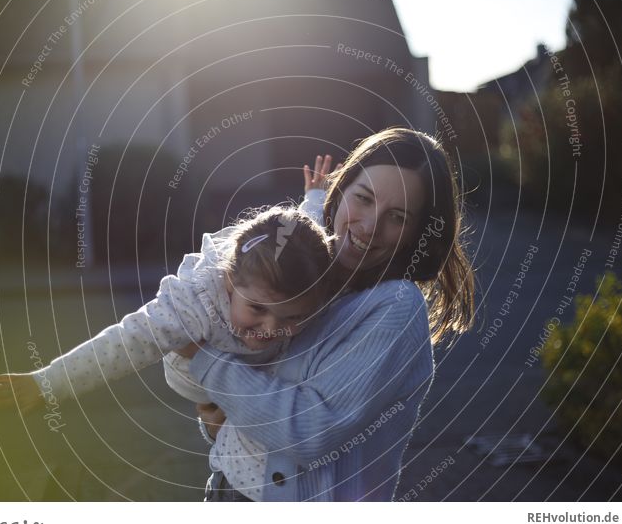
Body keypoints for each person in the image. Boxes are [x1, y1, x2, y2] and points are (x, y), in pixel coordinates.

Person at [185, 127, 476, 501]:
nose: (370, 228)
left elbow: (308, 432)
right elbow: (243, 400)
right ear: (339, 192)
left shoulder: (396, 307)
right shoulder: (300, 279)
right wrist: (217, 417)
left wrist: (207, 363)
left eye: (397, 218)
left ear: (417, 233)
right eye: (364, 198)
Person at [0, 204, 338, 500]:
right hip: (196, 378)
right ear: (229, 281)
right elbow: (123, 343)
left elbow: (303, 234)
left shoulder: (297, 277)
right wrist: (47, 383)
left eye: (292, 317)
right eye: (257, 310)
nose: (271, 329)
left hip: (255, 393)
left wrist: (315, 195)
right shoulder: (190, 306)